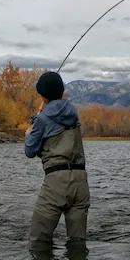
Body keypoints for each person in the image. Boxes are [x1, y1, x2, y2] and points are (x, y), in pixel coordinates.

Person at [25, 71, 90, 250]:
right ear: (61, 92)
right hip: (81, 182)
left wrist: (29, 132)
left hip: (56, 183)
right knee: (78, 244)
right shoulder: (74, 113)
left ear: (43, 95)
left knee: (38, 242)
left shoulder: (42, 119)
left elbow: (30, 151)